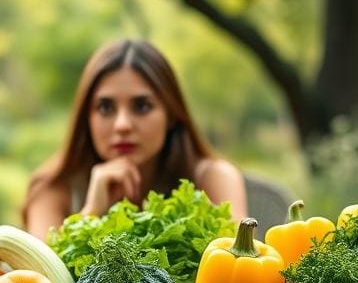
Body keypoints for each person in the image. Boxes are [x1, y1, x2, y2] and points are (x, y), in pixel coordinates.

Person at [22, 39, 248, 240]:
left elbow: (240, 263)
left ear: (171, 114)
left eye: (142, 106)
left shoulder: (214, 178)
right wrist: (91, 212)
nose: (122, 125)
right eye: (105, 107)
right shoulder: (52, 186)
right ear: (86, 117)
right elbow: (37, 270)